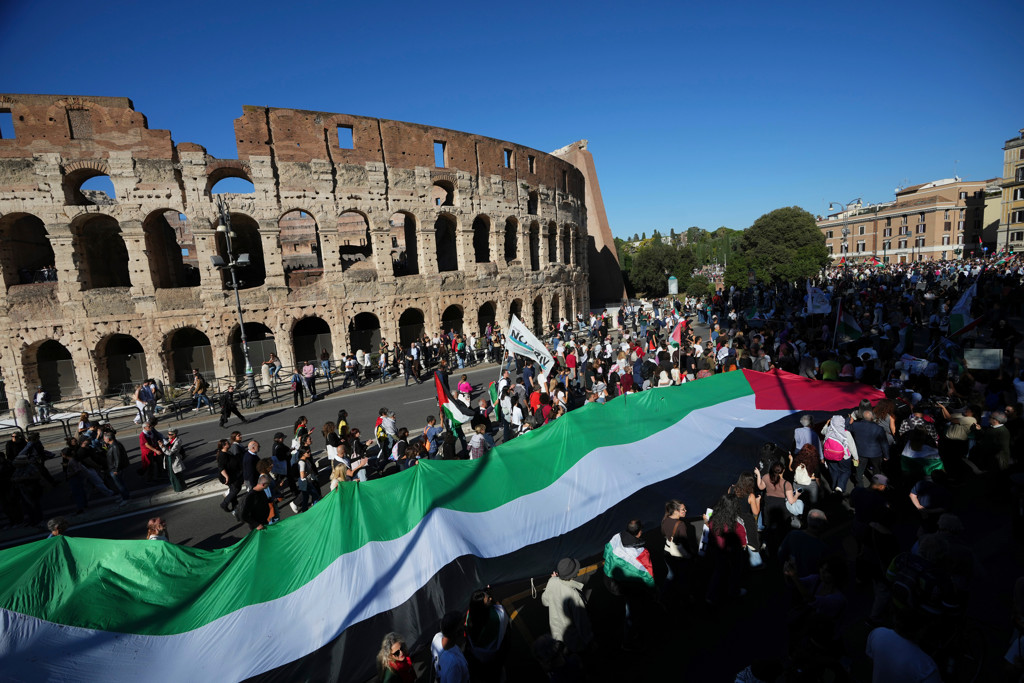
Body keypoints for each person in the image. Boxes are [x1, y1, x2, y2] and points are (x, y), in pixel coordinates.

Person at [542, 557, 593, 654]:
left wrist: (551, 582)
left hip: (557, 636)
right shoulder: (574, 595)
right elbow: (582, 623)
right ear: (574, 574)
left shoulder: (552, 582)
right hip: (573, 640)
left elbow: (545, 602)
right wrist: (589, 640)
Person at [464, 588, 510, 682]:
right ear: (482, 607)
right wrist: (493, 595)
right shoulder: (495, 618)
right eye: (488, 599)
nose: (490, 599)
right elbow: (502, 613)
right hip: (493, 655)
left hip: (477, 655)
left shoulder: (470, 616)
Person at [822, 414, 859, 494]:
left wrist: (827, 423)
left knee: (833, 471)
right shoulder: (846, 433)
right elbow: (852, 447)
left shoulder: (828, 430)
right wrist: (856, 458)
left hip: (830, 456)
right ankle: (840, 486)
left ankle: (833, 487)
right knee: (846, 471)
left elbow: (822, 432)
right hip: (844, 456)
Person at [431, 611, 470, 683]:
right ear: (457, 632)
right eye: (462, 625)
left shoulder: (436, 637)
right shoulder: (454, 664)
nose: (464, 626)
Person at [216, 438, 242, 518]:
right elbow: (221, 467)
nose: (229, 443)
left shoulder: (227, 452)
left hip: (232, 475)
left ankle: (236, 510)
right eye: (227, 443)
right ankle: (224, 503)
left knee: (233, 490)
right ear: (224, 446)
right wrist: (226, 477)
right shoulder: (222, 455)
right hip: (229, 476)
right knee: (236, 489)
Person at [103, 431, 130, 507]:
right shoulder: (113, 445)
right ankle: (123, 496)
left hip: (115, 469)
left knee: (120, 484)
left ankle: (125, 498)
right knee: (119, 484)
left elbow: (118, 459)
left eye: (104, 438)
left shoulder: (115, 446)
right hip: (114, 468)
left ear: (108, 439)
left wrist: (116, 469)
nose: (104, 440)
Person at [164, 428, 186, 492]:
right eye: (168, 434)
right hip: (169, 460)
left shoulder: (177, 441)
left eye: (170, 434)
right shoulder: (169, 440)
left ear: (174, 434)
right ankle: (179, 486)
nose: (168, 435)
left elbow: (170, 452)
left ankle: (180, 487)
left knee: (177, 474)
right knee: (173, 474)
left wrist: (162, 447)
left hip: (174, 459)